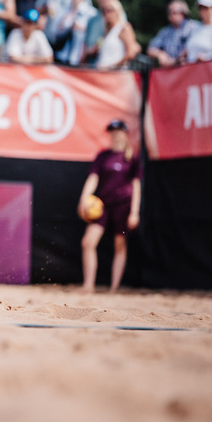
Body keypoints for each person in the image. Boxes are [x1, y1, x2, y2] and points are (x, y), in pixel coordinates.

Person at [78, 119, 141, 293]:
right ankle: (88, 285)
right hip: (102, 205)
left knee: (119, 244)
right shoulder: (103, 156)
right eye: (112, 132)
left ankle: (114, 288)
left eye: (118, 131)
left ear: (125, 134)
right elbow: (93, 178)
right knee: (88, 242)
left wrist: (135, 212)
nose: (115, 135)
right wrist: (84, 197)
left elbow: (136, 186)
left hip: (123, 205)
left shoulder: (132, 157)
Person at [147, 0, 199, 66]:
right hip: (172, 70)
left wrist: (180, 57)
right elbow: (150, 49)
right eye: (169, 13)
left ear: (183, 13)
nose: (170, 15)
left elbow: (197, 47)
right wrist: (159, 54)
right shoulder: (165, 31)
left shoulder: (194, 27)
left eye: (174, 12)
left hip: (190, 68)